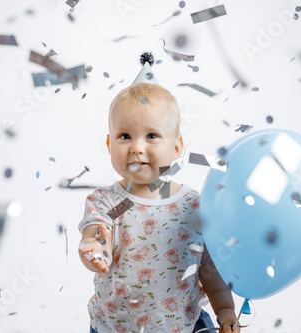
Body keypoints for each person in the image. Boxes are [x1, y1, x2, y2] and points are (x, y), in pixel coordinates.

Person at [78, 53, 240, 333]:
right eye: (124, 136)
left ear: (177, 147)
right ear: (109, 143)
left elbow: (209, 269)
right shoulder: (109, 203)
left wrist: (224, 309)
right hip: (115, 328)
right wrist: (95, 249)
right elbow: (97, 230)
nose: (136, 147)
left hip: (185, 325)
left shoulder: (193, 206)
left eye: (151, 136)